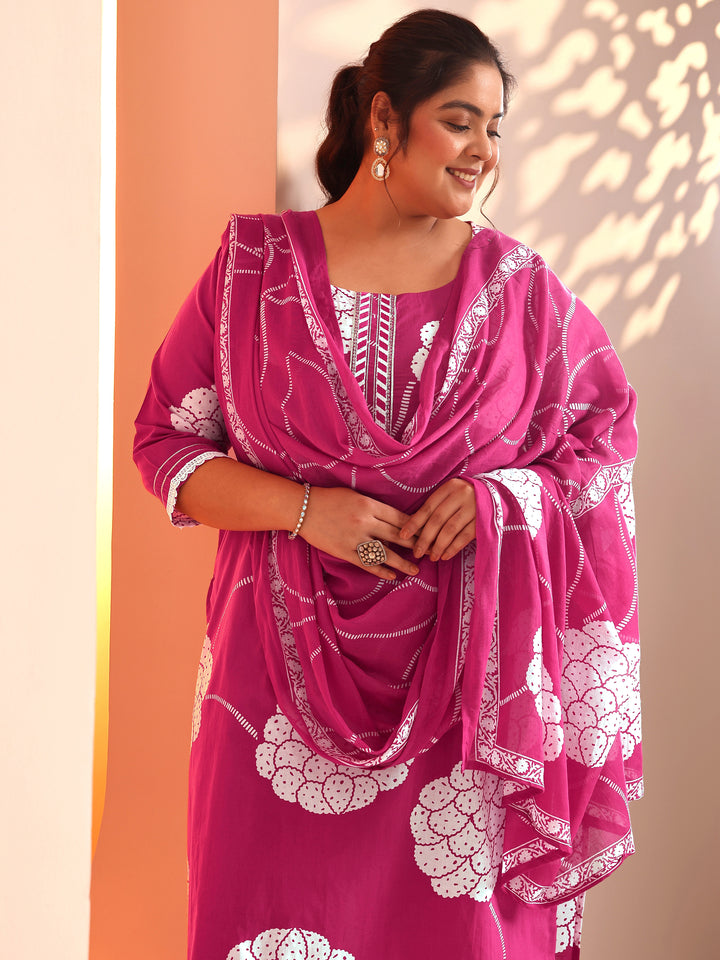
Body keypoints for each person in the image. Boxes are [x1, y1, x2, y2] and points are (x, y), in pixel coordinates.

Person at [134, 9, 641, 960]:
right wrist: (304, 511)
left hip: (468, 704)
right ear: (383, 119)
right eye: (459, 120)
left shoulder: (523, 292)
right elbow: (165, 444)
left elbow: (599, 445)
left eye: (494, 128)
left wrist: (500, 502)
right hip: (270, 689)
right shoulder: (252, 270)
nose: (483, 151)